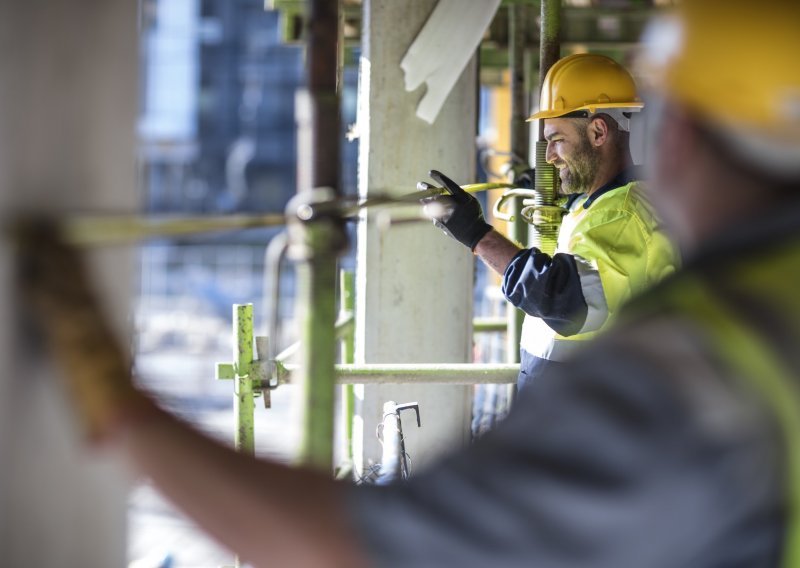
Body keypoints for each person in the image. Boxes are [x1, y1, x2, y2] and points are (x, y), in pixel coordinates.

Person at [15, 0, 800, 565]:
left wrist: (119, 410)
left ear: (678, 135)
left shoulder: (689, 379)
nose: (553, 158)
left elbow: (380, 545)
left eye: (559, 139)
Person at [421, 53, 678, 388]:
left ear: (598, 132)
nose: (549, 157)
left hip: (590, 418)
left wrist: (477, 235)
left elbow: (565, 298)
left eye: (557, 139)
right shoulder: (599, 203)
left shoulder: (622, 214)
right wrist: (560, 194)